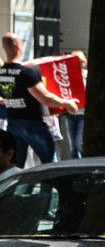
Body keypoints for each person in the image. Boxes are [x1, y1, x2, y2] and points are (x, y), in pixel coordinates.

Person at [0, 32, 78, 167]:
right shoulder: (25, 73)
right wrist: (66, 103)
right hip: (32, 124)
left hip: (13, 124)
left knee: (16, 166)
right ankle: (48, 188)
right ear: (19, 47)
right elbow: (45, 97)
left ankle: (17, 188)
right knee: (49, 164)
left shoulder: (1, 73)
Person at [65, 50, 88, 158]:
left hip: (83, 114)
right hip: (71, 114)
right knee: (73, 146)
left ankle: (85, 162)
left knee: (78, 143)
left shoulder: (87, 76)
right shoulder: (68, 77)